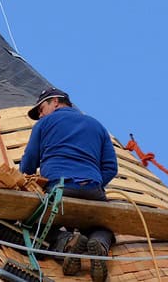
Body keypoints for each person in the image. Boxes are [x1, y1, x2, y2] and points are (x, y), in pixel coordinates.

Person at [20, 87, 118, 282]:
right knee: (103, 228)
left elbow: (29, 162)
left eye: (41, 108)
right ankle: (98, 244)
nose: (40, 115)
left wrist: (24, 179)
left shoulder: (45, 123)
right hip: (93, 189)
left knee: (36, 226)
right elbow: (111, 167)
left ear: (55, 102)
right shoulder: (96, 125)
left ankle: (67, 243)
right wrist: (93, 183)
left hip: (60, 189)